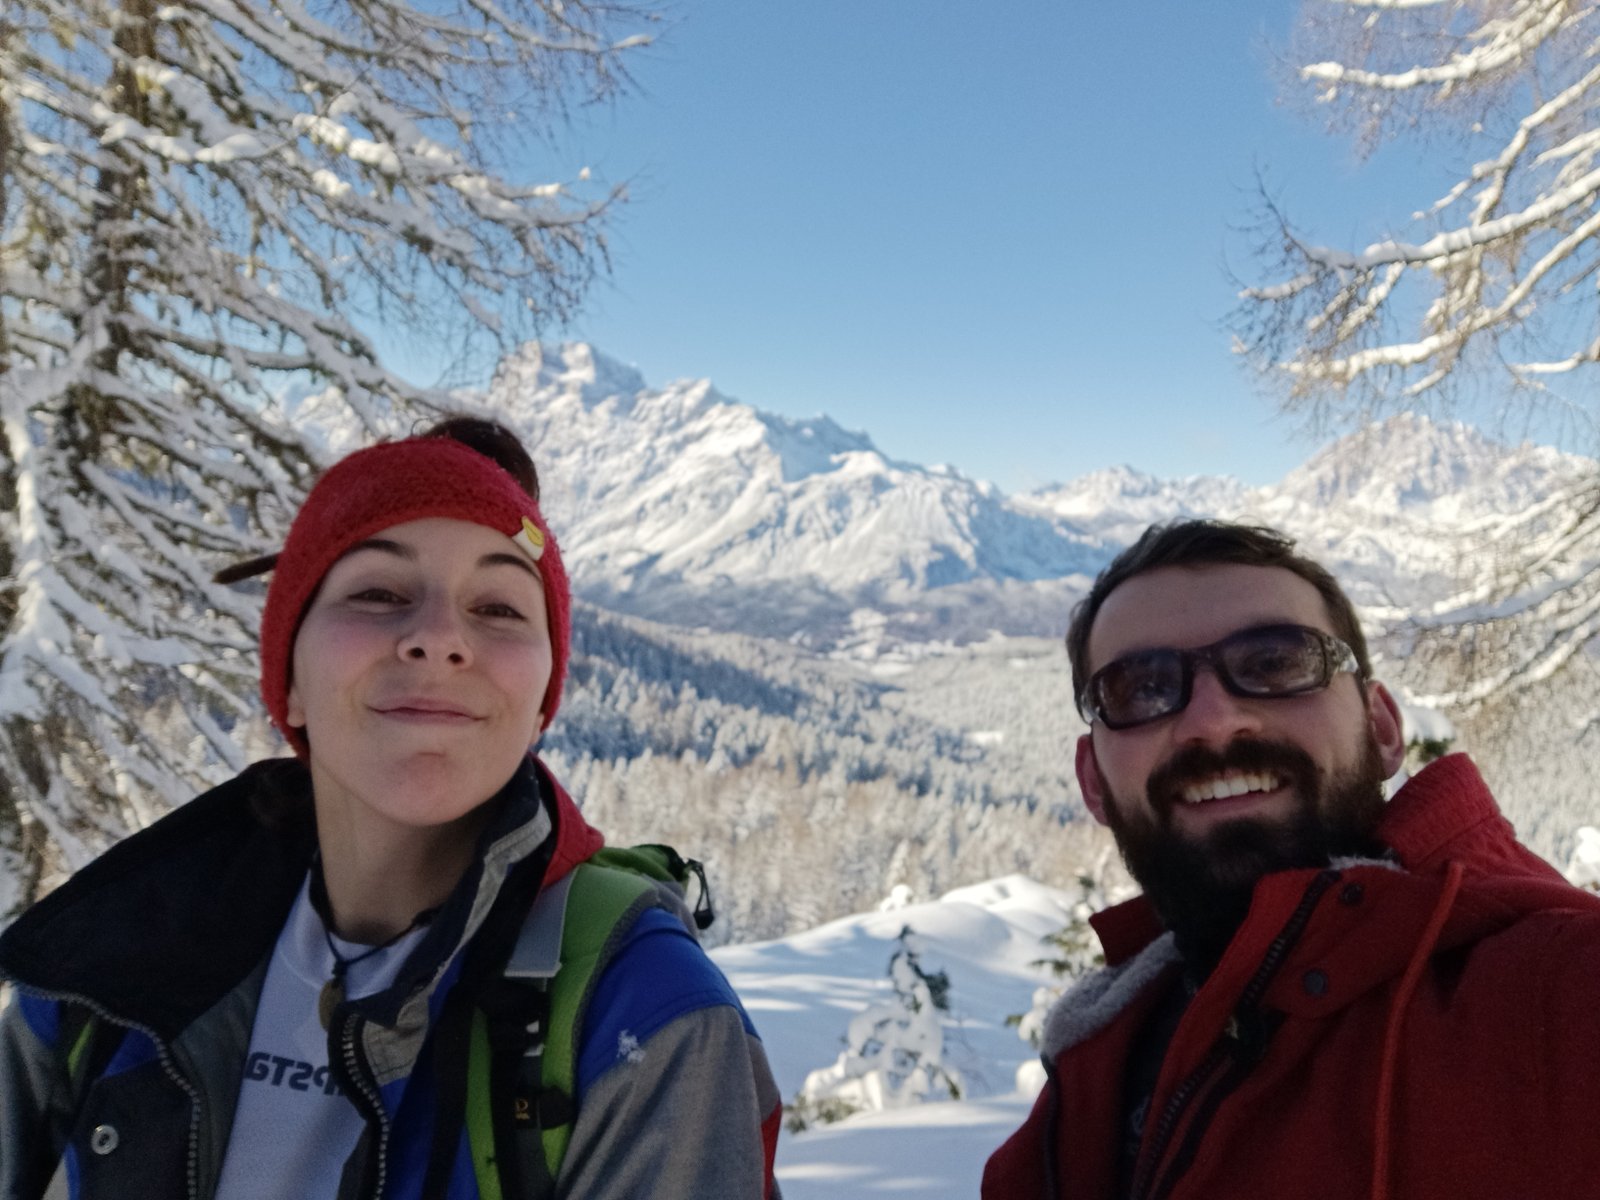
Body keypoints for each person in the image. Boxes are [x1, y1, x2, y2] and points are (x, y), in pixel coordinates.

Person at [0, 418, 783, 1199]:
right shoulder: (111, 957)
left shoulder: (645, 1014)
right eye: (377, 592)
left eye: (501, 608)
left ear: (540, 704)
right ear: (292, 680)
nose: (439, 638)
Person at [983, 518, 1600, 1200]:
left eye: (1276, 662)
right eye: (1141, 687)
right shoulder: (1090, 1079)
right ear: (1093, 781)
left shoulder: (1556, 989)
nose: (1214, 721)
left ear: (1383, 729)